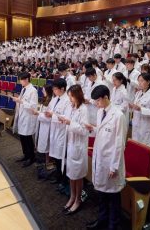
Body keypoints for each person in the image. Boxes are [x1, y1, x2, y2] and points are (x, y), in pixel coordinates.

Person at [85, 85, 126, 230]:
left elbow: (119, 143)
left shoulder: (118, 115)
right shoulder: (100, 111)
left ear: (106, 98)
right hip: (100, 158)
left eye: (98, 101)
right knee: (102, 194)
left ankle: (113, 225)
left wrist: (114, 166)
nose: (96, 104)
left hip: (111, 162)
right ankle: (101, 221)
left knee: (113, 196)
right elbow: (102, 132)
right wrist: (92, 128)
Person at [58, 85, 89, 215]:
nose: (69, 99)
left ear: (77, 95)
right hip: (70, 145)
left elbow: (83, 130)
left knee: (78, 176)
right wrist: (64, 121)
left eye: (71, 96)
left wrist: (70, 123)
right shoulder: (72, 107)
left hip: (78, 146)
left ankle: (78, 199)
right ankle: (72, 196)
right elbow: (70, 123)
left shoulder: (84, 109)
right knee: (71, 174)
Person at [45, 78, 72, 187]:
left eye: (55, 89)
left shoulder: (68, 101)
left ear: (62, 89)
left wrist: (53, 115)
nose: (54, 91)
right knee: (56, 157)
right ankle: (58, 176)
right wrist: (48, 113)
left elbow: (67, 117)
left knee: (62, 157)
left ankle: (63, 179)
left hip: (61, 131)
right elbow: (50, 109)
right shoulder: (55, 98)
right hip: (54, 130)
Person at [12, 72, 38, 167]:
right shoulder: (24, 89)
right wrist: (17, 100)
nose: (20, 82)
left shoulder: (33, 91)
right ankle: (25, 155)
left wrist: (20, 101)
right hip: (22, 116)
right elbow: (21, 101)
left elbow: (33, 105)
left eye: (21, 80)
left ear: (27, 79)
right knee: (22, 137)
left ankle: (31, 157)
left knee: (27, 138)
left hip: (28, 117)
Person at [129, 73, 150, 148]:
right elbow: (136, 107)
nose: (139, 83)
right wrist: (132, 107)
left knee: (146, 150)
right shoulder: (139, 93)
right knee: (136, 148)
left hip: (147, 127)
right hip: (137, 124)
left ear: (148, 82)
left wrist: (141, 109)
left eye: (142, 81)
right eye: (138, 81)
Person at [32, 84, 53, 168]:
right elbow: (41, 110)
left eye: (43, 90)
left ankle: (48, 163)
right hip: (41, 123)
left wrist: (38, 113)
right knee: (42, 144)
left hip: (47, 126)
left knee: (47, 146)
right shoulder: (45, 99)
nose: (42, 91)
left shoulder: (51, 101)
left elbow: (47, 116)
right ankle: (44, 162)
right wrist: (37, 111)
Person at [110, 72, 129, 141]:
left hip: (121, 116)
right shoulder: (114, 88)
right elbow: (112, 101)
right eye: (113, 80)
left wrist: (115, 110)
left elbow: (124, 106)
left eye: (115, 80)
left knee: (119, 136)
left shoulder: (124, 91)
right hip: (113, 114)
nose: (113, 82)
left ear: (121, 80)